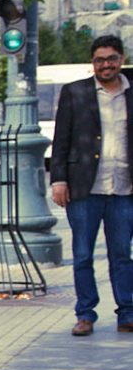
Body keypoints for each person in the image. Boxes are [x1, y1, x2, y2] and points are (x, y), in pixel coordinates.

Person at [51, 34, 133, 337]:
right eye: (100, 60)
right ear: (93, 63)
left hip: (124, 189)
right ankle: (85, 314)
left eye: (111, 58)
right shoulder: (75, 93)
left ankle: (127, 312)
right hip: (84, 189)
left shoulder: (131, 91)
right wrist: (59, 179)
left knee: (122, 255)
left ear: (121, 60)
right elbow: (61, 140)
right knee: (84, 255)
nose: (106, 65)